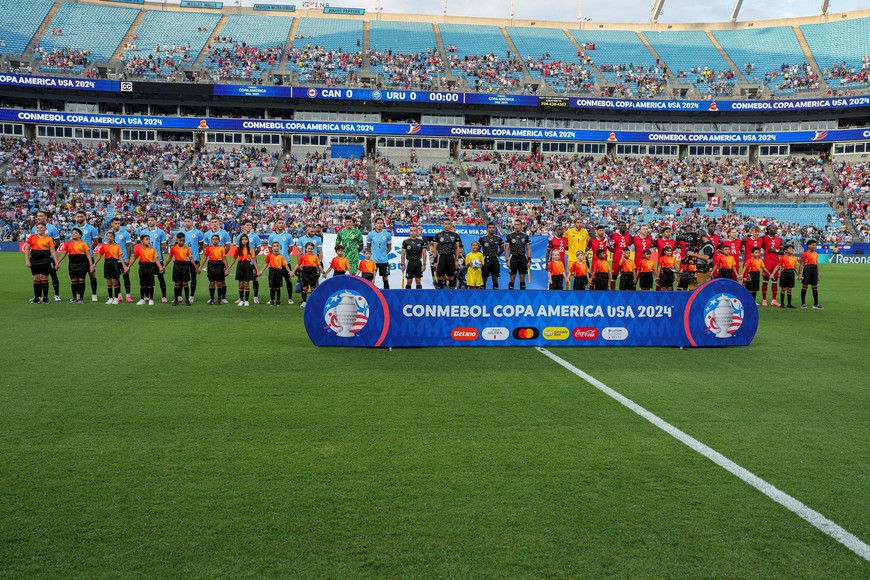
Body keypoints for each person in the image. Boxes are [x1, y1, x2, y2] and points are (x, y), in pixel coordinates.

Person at [55, 227, 94, 304]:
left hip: (82, 264)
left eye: (75, 233)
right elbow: (64, 254)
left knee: (81, 280)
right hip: (72, 264)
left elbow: (88, 255)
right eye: (72, 233)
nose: (73, 234)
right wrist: (58, 262)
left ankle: (81, 298)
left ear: (80, 235)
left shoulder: (84, 244)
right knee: (73, 281)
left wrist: (91, 265)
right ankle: (74, 298)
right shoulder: (68, 244)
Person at [24, 222, 58, 304]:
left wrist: (56, 262)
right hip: (34, 260)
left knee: (44, 278)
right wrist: (27, 260)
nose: (39, 229)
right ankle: (36, 297)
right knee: (36, 278)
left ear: (45, 229)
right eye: (38, 228)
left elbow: (52, 252)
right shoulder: (32, 237)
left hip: (45, 260)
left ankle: (45, 298)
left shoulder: (49, 238)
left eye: (41, 227)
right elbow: (27, 249)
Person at [32, 210, 62, 301]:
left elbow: (57, 242)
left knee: (53, 275)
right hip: (38, 258)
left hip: (49, 257)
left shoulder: (53, 228)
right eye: (37, 216)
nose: (38, 218)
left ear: (46, 217)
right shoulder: (34, 228)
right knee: (39, 276)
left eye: (41, 216)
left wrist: (50, 253)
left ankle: (56, 295)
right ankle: (39, 296)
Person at [126, 234, 163, 305]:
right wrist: (128, 266)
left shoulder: (152, 250)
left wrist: (160, 267)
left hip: (150, 268)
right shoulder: (139, 249)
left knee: (150, 284)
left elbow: (156, 259)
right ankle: (142, 299)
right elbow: (134, 258)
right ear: (142, 241)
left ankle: (151, 299)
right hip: (142, 268)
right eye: (147, 239)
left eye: (149, 239)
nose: (149, 241)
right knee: (142, 284)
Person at [139, 216, 169, 303]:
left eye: (152, 220)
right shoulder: (143, 232)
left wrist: (157, 253)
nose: (150, 221)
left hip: (157, 259)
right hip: (147, 260)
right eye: (149, 220)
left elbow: (163, 245)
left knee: (160, 277)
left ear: (155, 221)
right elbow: (141, 245)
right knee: (147, 278)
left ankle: (164, 296)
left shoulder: (160, 232)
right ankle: (147, 295)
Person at [72, 210, 100, 301]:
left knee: (91, 274)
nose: (79, 218)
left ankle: (94, 294)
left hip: (88, 256)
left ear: (85, 217)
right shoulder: (74, 228)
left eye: (81, 216)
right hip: (77, 256)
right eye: (78, 217)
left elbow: (96, 242)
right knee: (77, 276)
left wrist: (88, 249)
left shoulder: (91, 228)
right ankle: (78, 295)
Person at [92, 230, 126, 304]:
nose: (109, 237)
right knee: (109, 281)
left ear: (114, 238)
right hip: (107, 263)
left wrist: (124, 266)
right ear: (106, 237)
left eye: (111, 236)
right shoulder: (104, 246)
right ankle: (110, 298)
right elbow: (99, 256)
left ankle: (116, 298)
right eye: (108, 236)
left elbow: (120, 256)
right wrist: (94, 264)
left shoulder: (117, 246)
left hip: (115, 263)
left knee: (115, 281)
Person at [164, 233, 198, 306]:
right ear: (177, 240)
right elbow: (169, 258)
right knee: (177, 284)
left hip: (185, 266)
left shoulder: (187, 248)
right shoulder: (173, 248)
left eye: (183, 240)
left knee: (185, 283)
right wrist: (164, 266)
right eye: (180, 240)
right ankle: (176, 299)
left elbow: (191, 258)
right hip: (177, 266)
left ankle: (186, 300)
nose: (182, 242)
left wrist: (196, 268)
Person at [268, 218, 295, 304]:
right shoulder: (272, 236)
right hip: (275, 264)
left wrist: (284, 255)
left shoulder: (288, 236)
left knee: (288, 279)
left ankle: (290, 298)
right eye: (279, 223)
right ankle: (272, 299)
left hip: (285, 261)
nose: (281, 224)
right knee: (274, 282)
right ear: (276, 225)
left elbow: (290, 249)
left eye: (282, 223)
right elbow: (270, 249)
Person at [107, 217, 134, 302]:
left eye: (119, 223)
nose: (118, 225)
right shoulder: (108, 234)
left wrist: (128, 258)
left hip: (124, 259)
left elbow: (129, 246)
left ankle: (128, 295)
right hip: (113, 260)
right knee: (116, 278)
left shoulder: (125, 233)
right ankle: (118, 295)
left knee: (126, 277)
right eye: (116, 223)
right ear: (112, 224)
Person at [178, 217, 204, 304]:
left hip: (194, 259)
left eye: (188, 221)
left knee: (193, 278)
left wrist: (197, 251)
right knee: (182, 278)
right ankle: (179, 296)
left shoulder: (198, 232)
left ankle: (191, 295)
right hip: (183, 260)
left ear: (192, 222)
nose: (187, 223)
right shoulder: (181, 233)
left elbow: (201, 244)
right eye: (185, 221)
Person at [291, 242, 323, 308]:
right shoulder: (303, 256)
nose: (310, 250)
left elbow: (319, 265)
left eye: (311, 249)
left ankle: (313, 301)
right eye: (308, 248)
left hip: (313, 273)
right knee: (304, 287)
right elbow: (298, 264)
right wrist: (293, 271)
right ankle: (304, 302)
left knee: (313, 288)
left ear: (313, 249)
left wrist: (323, 271)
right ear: (305, 249)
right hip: (305, 273)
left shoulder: (315, 256)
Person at [433, 218, 462, 289]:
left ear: (451, 225)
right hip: (441, 257)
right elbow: (434, 248)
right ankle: (439, 288)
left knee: (451, 275)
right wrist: (435, 261)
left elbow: (458, 248)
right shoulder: (438, 235)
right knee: (440, 275)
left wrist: (457, 260)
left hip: (451, 257)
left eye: (448, 224)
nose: (447, 225)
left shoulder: (455, 235)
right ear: (443, 225)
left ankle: (452, 290)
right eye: (445, 224)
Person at [259, 241, 291, 306]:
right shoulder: (270, 255)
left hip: (279, 272)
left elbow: (285, 265)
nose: (276, 247)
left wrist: (290, 271)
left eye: (277, 246)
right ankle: (272, 300)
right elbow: (266, 263)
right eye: (274, 246)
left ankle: (278, 300)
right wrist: (261, 271)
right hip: (272, 272)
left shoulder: (281, 256)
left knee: (278, 287)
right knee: (272, 287)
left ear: (279, 247)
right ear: (272, 248)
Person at [227, 234, 256, 307]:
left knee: (246, 284)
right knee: (241, 284)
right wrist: (228, 268)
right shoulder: (238, 249)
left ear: (248, 240)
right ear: (240, 241)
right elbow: (233, 260)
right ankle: (241, 300)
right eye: (243, 239)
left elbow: (254, 260)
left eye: (245, 239)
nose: (244, 241)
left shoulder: (250, 249)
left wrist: (257, 270)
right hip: (240, 266)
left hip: (247, 265)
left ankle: (246, 300)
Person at [201, 234, 229, 305]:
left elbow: (224, 259)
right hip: (211, 265)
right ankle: (212, 299)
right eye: (213, 239)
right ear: (211, 240)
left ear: (219, 240)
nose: (214, 240)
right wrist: (200, 267)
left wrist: (227, 269)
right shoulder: (208, 248)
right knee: (211, 283)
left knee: (219, 283)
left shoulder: (222, 248)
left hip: (219, 264)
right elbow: (204, 258)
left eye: (216, 239)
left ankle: (219, 299)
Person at [761, 224, 784, 307]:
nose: (775, 229)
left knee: (775, 282)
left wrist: (776, 250)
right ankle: (764, 300)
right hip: (767, 263)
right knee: (765, 281)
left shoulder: (779, 239)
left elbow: (782, 251)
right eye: (773, 228)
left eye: (775, 228)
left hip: (776, 263)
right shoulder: (764, 238)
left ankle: (774, 300)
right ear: (768, 229)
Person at [366, 217, 392, 289]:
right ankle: (370, 294)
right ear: (375, 224)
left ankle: (386, 295)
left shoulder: (387, 235)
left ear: (383, 224)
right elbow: (368, 247)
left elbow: (389, 247)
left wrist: (383, 253)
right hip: (373, 261)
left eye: (381, 223)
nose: (379, 225)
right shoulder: (371, 234)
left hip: (384, 260)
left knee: (385, 279)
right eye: (378, 223)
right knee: (371, 279)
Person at [239, 219, 261, 304]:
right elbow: (238, 249)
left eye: (250, 225)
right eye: (247, 225)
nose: (249, 227)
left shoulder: (255, 236)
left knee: (255, 279)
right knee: (242, 280)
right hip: (243, 263)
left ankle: (255, 297)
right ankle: (241, 298)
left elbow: (258, 249)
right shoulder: (240, 236)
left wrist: (252, 256)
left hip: (252, 262)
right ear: (243, 226)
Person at [505, 219, 531, 290]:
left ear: (521, 225)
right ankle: (510, 294)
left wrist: (529, 260)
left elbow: (528, 249)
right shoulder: (510, 236)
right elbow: (506, 249)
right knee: (512, 277)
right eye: (515, 225)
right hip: (513, 257)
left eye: (518, 225)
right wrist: (507, 260)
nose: (516, 226)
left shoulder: (525, 236)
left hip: (522, 258)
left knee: (522, 277)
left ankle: (522, 294)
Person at [771, 244, 799, 309]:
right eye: (790, 248)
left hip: (791, 273)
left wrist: (799, 275)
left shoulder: (794, 258)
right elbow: (778, 266)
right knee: (783, 289)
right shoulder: (782, 258)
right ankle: (782, 304)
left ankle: (789, 304)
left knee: (790, 289)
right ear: (786, 250)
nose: (791, 250)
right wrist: (773, 273)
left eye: (792, 248)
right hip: (784, 273)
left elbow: (795, 268)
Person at [478, 222, 504, 289]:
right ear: (487, 229)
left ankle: (495, 295)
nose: (491, 229)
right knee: (484, 278)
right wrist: (482, 256)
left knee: (495, 279)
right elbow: (478, 249)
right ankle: (482, 295)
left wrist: (497, 255)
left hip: (495, 260)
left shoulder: (498, 238)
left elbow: (502, 249)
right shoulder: (482, 238)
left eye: (493, 228)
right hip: (485, 260)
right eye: (490, 228)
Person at [798, 239, 823, 309]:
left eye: (815, 245)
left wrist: (818, 274)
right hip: (807, 269)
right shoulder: (805, 254)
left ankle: (816, 304)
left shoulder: (816, 254)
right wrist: (800, 274)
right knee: (805, 286)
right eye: (813, 245)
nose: (815, 246)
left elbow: (817, 264)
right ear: (809, 246)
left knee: (814, 286)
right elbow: (801, 264)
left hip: (814, 270)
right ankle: (803, 303)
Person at [610, 222, 633, 290]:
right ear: (619, 227)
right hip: (616, 259)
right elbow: (608, 238)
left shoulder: (629, 235)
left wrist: (628, 244)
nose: (623, 227)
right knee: (614, 277)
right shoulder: (614, 235)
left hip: (626, 260)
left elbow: (632, 241)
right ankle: (612, 292)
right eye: (621, 226)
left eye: (624, 226)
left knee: (626, 277)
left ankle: (624, 292)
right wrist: (611, 244)